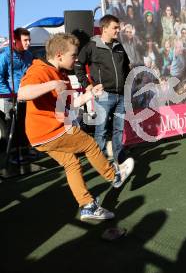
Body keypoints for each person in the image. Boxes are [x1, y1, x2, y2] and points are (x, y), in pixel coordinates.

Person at [17, 33, 134, 220]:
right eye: (73, 55)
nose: (77, 59)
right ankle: (114, 176)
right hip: (49, 131)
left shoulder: (60, 74)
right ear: (59, 56)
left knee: (71, 164)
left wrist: (90, 95)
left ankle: (87, 206)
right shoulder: (40, 70)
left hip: (40, 136)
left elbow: (68, 105)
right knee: (89, 144)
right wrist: (52, 84)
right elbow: (22, 93)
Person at [74, 14, 131, 164]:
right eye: (115, 28)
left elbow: (126, 67)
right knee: (102, 130)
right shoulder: (92, 45)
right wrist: (88, 86)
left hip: (121, 96)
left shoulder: (119, 46)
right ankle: (99, 161)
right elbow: (78, 66)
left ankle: (119, 157)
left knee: (119, 129)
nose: (118, 30)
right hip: (104, 95)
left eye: (118, 27)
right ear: (104, 29)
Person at [0, 27, 33, 161]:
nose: (28, 43)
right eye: (25, 40)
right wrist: (10, 94)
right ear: (16, 41)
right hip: (11, 98)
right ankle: (13, 154)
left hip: (26, 96)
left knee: (25, 124)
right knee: (11, 125)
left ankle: (24, 151)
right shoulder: (5, 56)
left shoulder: (29, 55)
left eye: (29, 40)